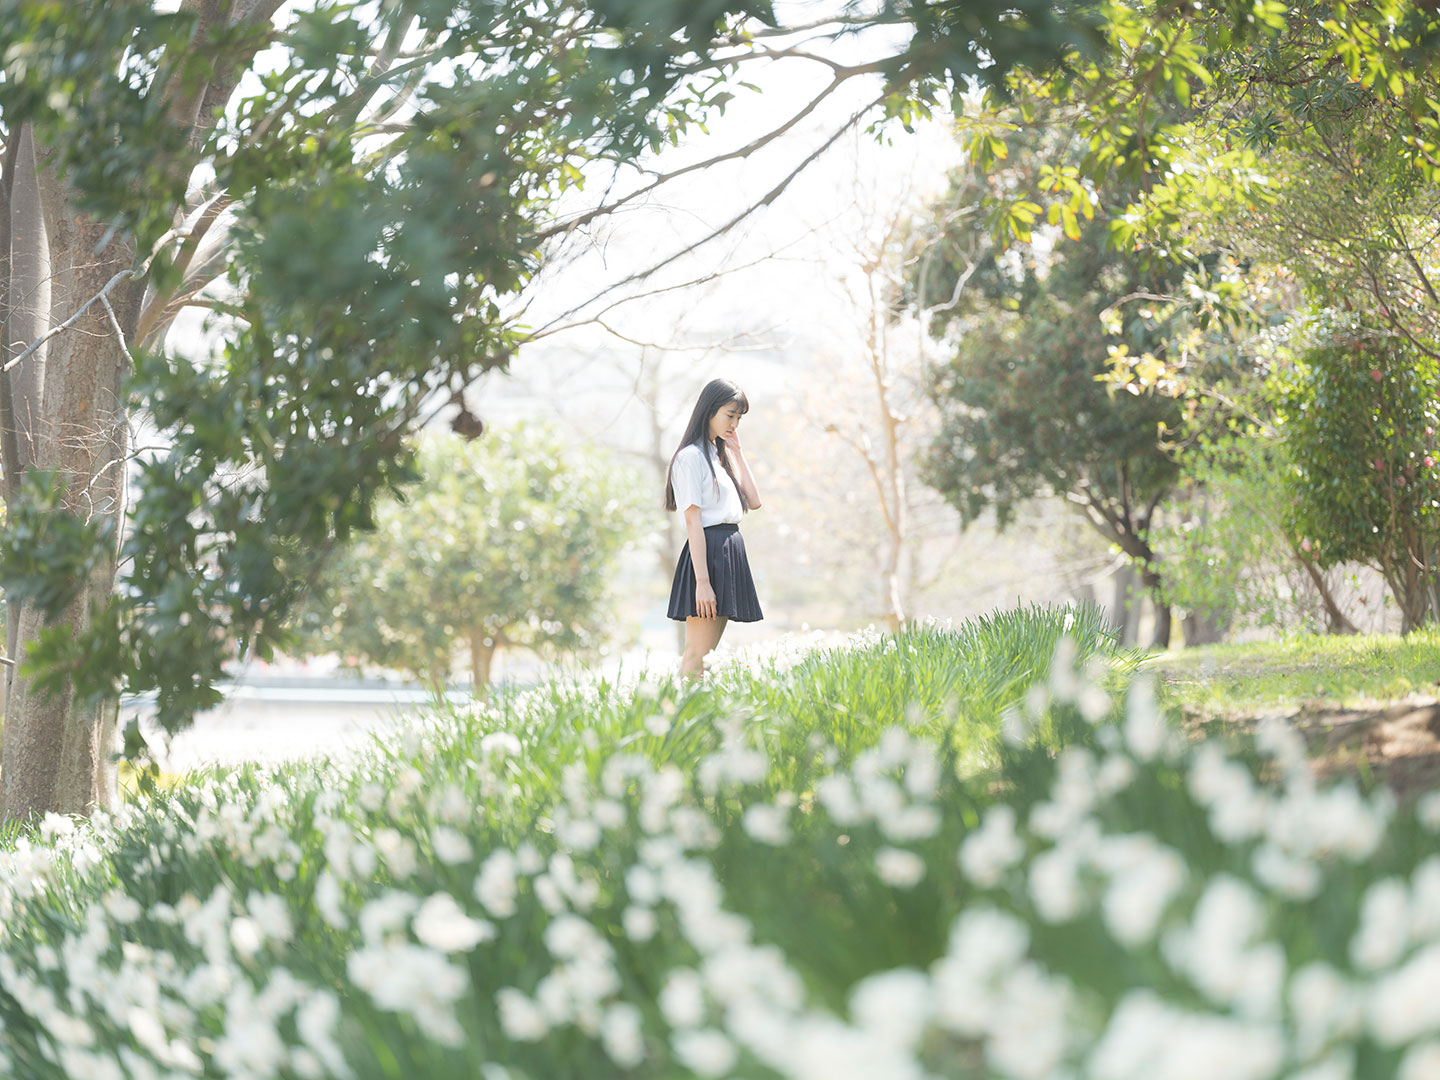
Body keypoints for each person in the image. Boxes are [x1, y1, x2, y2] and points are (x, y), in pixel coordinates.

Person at [664, 378, 763, 678]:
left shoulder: (718, 456)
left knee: (705, 661)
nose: (734, 423)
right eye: (729, 415)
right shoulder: (691, 458)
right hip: (708, 557)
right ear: (709, 411)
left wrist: (738, 452)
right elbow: (693, 522)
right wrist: (702, 583)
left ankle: (690, 719)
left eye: (739, 418)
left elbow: (755, 501)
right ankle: (674, 720)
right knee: (696, 660)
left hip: (727, 553)